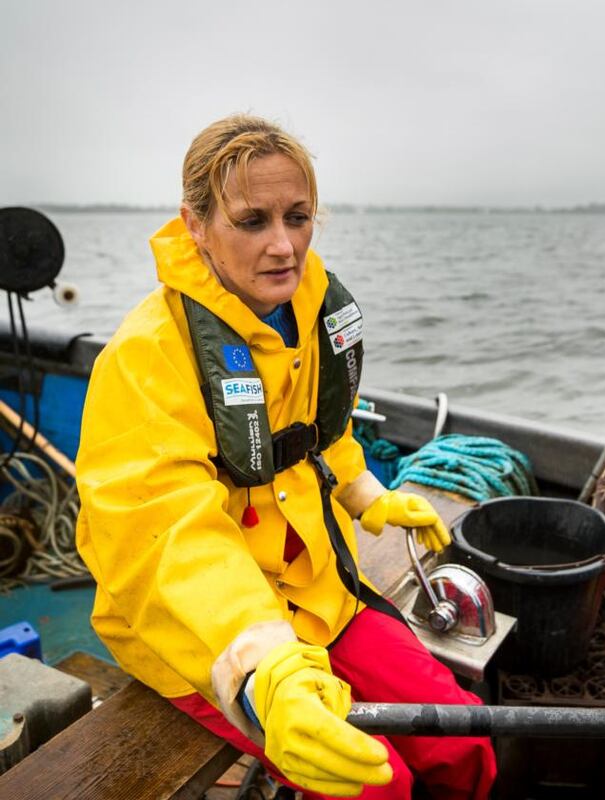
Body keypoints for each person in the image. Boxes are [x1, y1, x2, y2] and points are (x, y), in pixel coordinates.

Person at [75, 114, 496, 799]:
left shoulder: (308, 309)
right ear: (195, 225)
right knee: (377, 784)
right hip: (206, 631)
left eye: (297, 217)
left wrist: (365, 492)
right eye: (252, 221)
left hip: (318, 592)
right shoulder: (144, 357)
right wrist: (263, 663)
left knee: (463, 738)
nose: (283, 246)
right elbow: (167, 537)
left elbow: (322, 430)